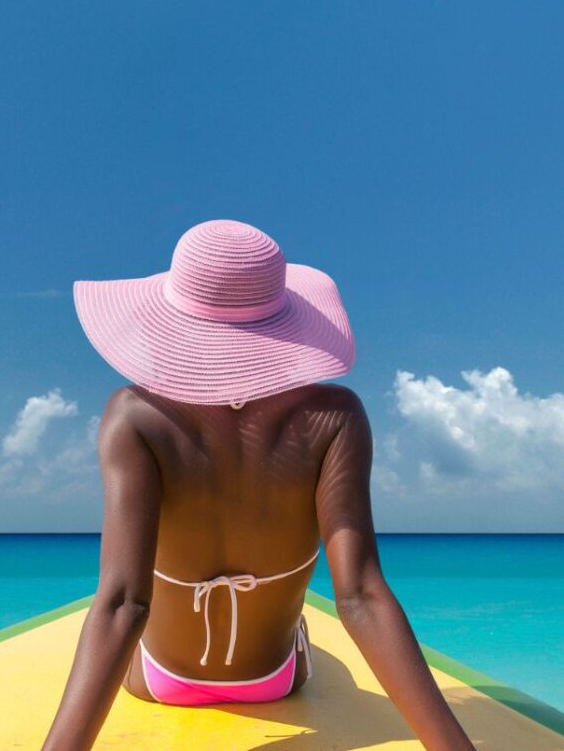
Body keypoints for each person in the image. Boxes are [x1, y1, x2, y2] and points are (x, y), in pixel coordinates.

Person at [41, 219, 473, 751]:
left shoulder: (135, 416)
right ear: (285, 327)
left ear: (171, 321)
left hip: (161, 681)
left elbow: (125, 603)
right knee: (310, 639)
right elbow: (360, 596)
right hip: (272, 681)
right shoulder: (335, 417)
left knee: (119, 623)